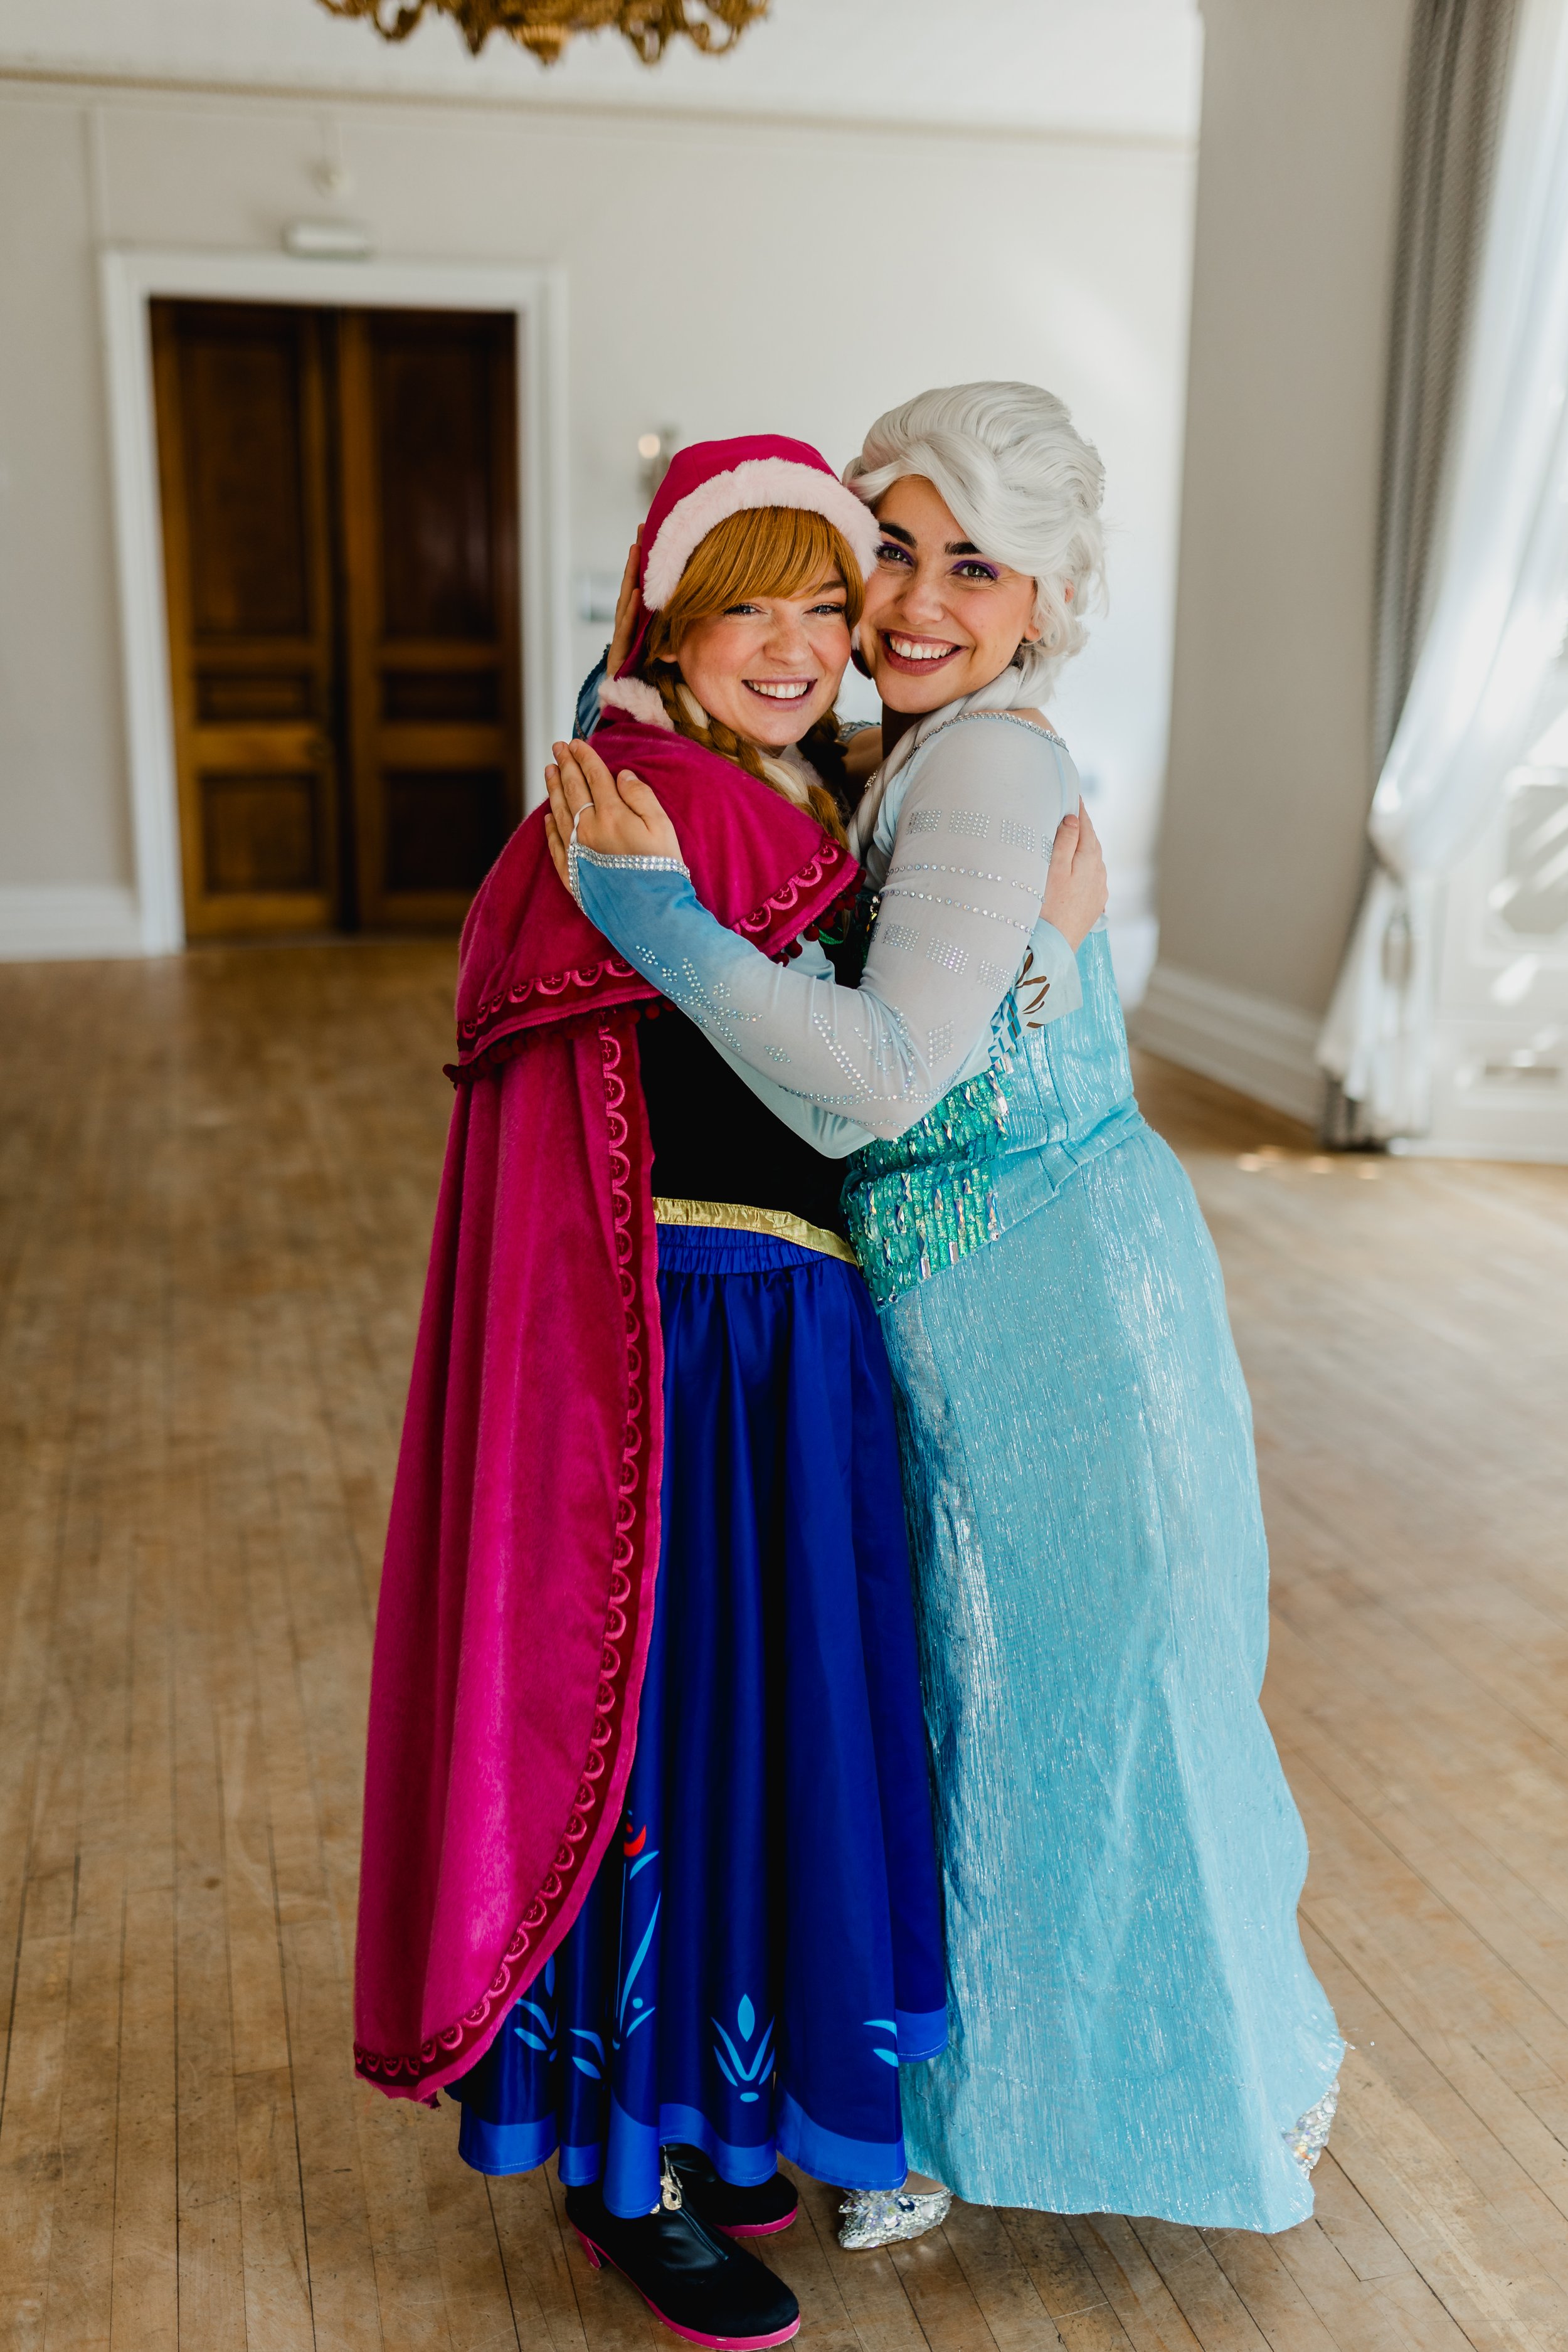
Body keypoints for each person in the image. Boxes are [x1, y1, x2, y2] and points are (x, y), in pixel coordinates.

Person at [544, 381, 1345, 2240]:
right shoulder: (881, 752)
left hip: (1052, 1307)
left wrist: (653, 919)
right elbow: (700, 729)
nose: (912, 603)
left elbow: (877, 1084)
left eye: (973, 567)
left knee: (1089, 1717)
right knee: (968, 1711)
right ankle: (922, 2107)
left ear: (1044, 597)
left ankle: (1102, 2113)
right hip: (949, 1300)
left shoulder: (982, 766)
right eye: (889, 553)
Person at [360, 436, 982, 2349]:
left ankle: (705, 2118)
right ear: (667, 626)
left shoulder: (767, 790)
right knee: (664, 1742)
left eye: (823, 607)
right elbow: (838, 1081)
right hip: (685, 1352)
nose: (795, 645)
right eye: (749, 609)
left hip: (776, 1339)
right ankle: (623, 2176)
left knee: (745, 1736)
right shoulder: (665, 804)